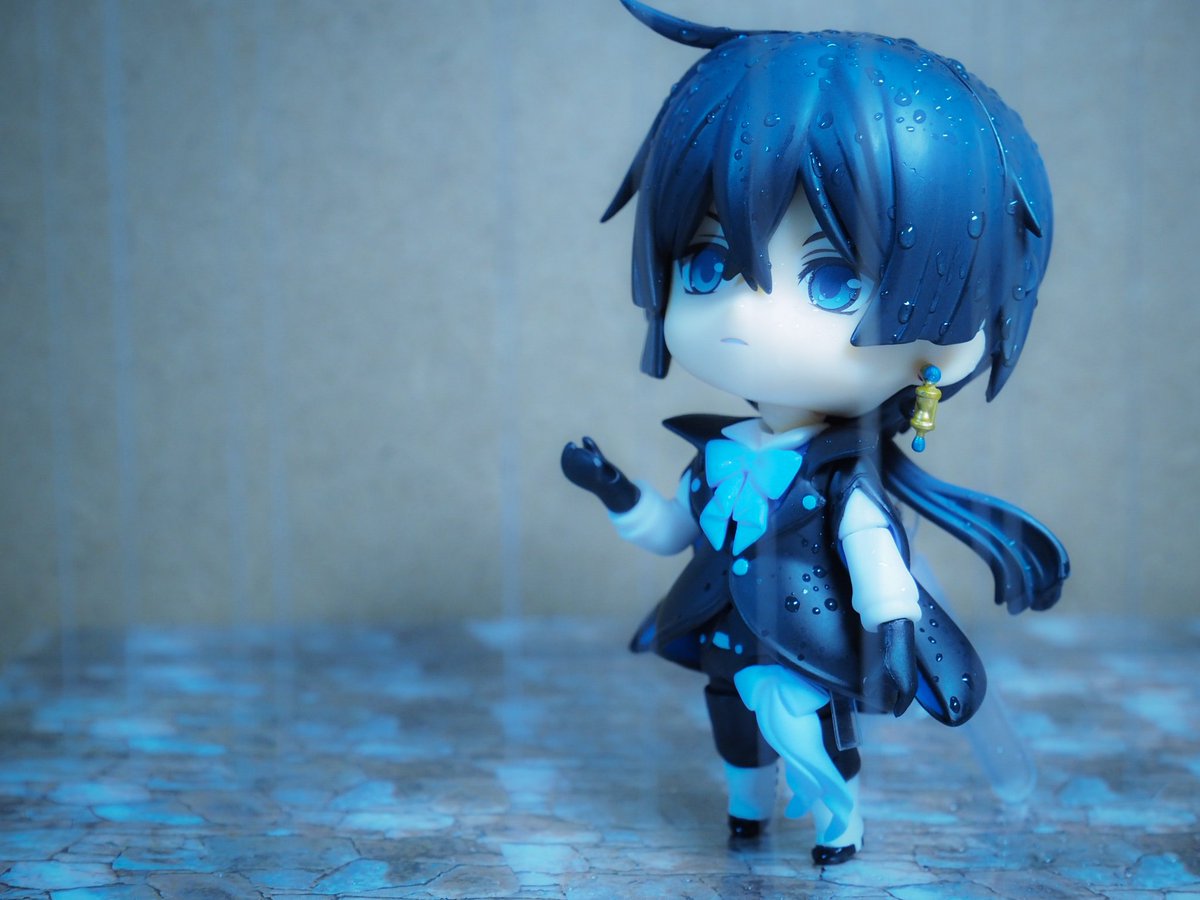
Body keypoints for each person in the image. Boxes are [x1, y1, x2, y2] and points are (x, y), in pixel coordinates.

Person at [562, 0, 1069, 866]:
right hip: (721, 627)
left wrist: (893, 630)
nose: (743, 314)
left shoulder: (844, 476)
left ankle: (840, 821)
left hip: (806, 633)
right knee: (732, 721)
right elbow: (674, 530)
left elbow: (875, 556)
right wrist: (613, 489)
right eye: (709, 264)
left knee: (801, 721)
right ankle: (746, 809)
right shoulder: (718, 454)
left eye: (831, 280)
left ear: (953, 333)